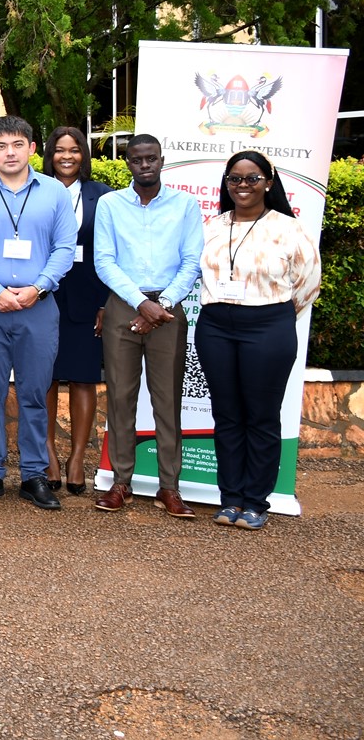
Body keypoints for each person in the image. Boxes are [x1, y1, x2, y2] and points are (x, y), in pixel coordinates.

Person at [0, 116, 77, 509]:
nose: (10, 153)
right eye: (1, 146)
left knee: (34, 394)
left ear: (32, 149)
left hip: (37, 307)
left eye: (18, 144)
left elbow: (64, 248)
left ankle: (34, 475)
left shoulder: (55, 193)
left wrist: (37, 287)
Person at [196, 150, 320, 530]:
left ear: (269, 181)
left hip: (267, 326)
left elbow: (308, 282)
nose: (243, 186)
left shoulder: (287, 227)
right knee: (227, 416)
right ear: (226, 184)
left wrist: (273, 315)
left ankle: (255, 501)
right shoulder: (213, 226)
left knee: (261, 418)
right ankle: (230, 497)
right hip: (216, 325)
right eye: (235, 179)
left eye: (252, 178)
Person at [92, 134, 203, 518]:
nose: (145, 165)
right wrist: (141, 304)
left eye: (151, 159)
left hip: (168, 310)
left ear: (162, 160)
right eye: (137, 160)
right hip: (124, 305)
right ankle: (121, 482)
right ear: (127, 164)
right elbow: (104, 261)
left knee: (167, 400)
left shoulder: (186, 205)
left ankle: (169, 487)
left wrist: (162, 304)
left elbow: (192, 262)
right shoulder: (110, 204)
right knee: (121, 397)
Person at [42, 127, 110, 495]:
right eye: (59, 150)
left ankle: (77, 457)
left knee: (84, 378)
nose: (67, 157)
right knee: (47, 379)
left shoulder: (104, 196)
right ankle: (50, 454)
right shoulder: (34, 190)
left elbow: (114, 252)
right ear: (50, 154)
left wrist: (105, 303)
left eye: (75, 151)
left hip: (88, 298)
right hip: (43, 297)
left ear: (84, 155)